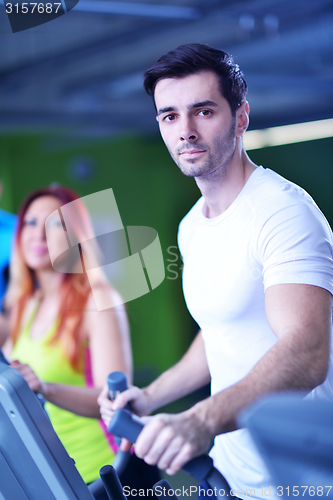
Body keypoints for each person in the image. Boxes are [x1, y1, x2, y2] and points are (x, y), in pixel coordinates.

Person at [98, 44, 333, 500]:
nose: (185, 131)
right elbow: (220, 331)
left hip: (300, 479)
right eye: (169, 116)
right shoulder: (192, 226)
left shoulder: (282, 212)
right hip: (226, 474)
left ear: (241, 116)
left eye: (203, 111)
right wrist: (150, 396)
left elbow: (307, 353)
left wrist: (199, 419)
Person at [1, 185, 133, 489]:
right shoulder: (24, 305)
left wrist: (44, 387)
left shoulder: (98, 299)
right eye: (30, 223)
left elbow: (115, 400)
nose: (38, 234)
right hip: (51, 474)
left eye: (54, 223)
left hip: (105, 472)